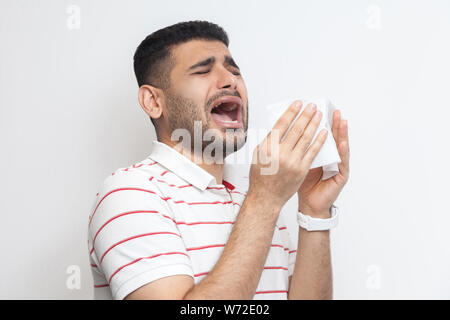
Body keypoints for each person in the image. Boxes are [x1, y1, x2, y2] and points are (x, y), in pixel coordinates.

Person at [87, 20, 350, 300]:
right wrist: (265, 200)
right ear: (153, 101)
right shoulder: (129, 195)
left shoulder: (253, 196)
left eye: (234, 70)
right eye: (203, 70)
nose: (230, 81)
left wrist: (314, 213)